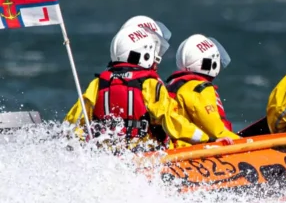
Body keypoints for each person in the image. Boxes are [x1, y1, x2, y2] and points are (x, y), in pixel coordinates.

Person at [64, 25, 211, 148]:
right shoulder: (149, 83)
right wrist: (204, 137)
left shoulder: (98, 83)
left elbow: (75, 119)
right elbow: (171, 120)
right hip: (144, 154)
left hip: (106, 154)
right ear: (144, 54)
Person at [165, 34, 241, 143]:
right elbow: (216, 130)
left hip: (175, 146)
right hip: (190, 150)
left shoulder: (174, 85)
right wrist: (244, 141)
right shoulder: (200, 89)